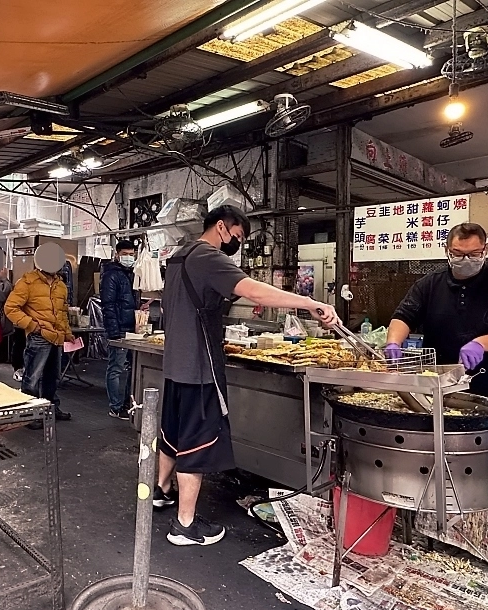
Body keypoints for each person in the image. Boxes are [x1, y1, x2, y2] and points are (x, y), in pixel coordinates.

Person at [156, 205, 337, 547]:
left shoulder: (179, 257)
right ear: (222, 228)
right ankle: (184, 525)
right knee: (196, 444)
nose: (236, 244)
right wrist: (308, 303)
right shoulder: (208, 256)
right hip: (199, 369)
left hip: (175, 364)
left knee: (172, 433)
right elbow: (253, 290)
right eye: (237, 237)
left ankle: (162, 491)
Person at [385, 222, 488, 408]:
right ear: (447, 251)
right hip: (441, 392)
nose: (466, 259)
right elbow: (403, 316)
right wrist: (393, 342)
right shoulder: (430, 284)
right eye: (458, 254)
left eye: (474, 254)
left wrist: (481, 344)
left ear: (486, 249)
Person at [5, 264, 73, 423]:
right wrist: (32, 325)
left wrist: (67, 333)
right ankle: (29, 415)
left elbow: (62, 313)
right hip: (38, 337)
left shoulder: (61, 285)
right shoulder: (27, 282)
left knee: (53, 376)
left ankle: (51, 408)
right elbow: (10, 308)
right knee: (32, 377)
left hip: (56, 337)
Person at [101, 239, 139, 418]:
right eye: (125, 255)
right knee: (116, 367)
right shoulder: (111, 275)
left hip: (132, 328)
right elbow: (108, 305)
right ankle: (115, 407)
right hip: (119, 329)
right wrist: (114, 332)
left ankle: (126, 403)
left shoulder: (131, 273)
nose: (129, 258)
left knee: (132, 367)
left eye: (131, 255)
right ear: (117, 255)